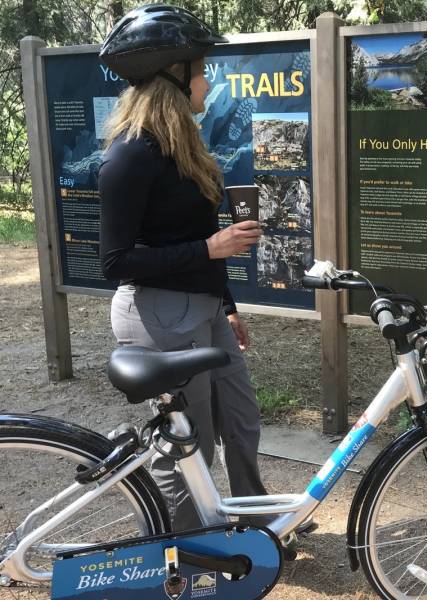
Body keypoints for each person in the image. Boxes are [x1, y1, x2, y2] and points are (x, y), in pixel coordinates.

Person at [97, 4, 267, 531]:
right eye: (199, 69)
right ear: (173, 76)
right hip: (158, 315)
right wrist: (209, 251)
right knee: (188, 443)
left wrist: (227, 304)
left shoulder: (180, 147)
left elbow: (196, 237)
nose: (206, 81)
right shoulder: (129, 156)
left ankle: (251, 518)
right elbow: (116, 261)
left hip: (204, 307)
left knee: (240, 420)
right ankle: (191, 548)